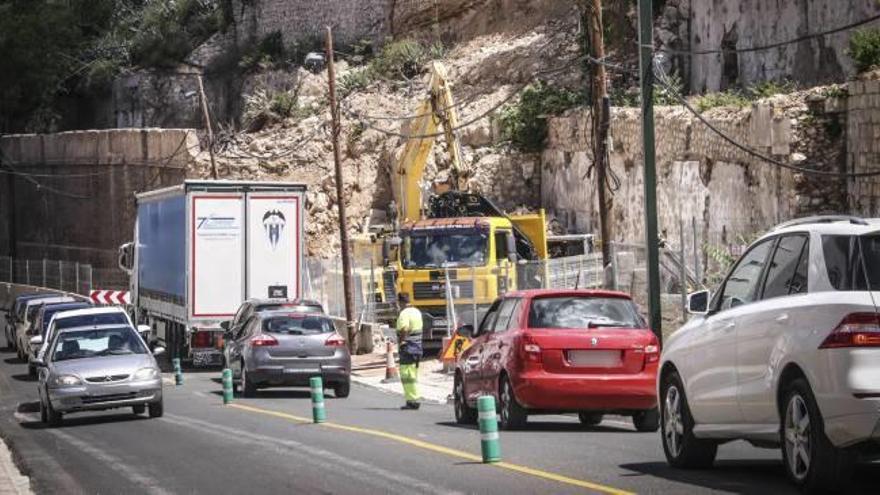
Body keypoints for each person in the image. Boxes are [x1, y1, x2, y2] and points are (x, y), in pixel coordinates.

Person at [395, 292, 423, 410]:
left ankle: (412, 400)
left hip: (408, 348)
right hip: (417, 347)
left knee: (406, 375)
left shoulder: (404, 314)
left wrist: (401, 342)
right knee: (413, 374)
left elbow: (404, 328)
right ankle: (414, 398)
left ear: (400, 302)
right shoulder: (416, 311)